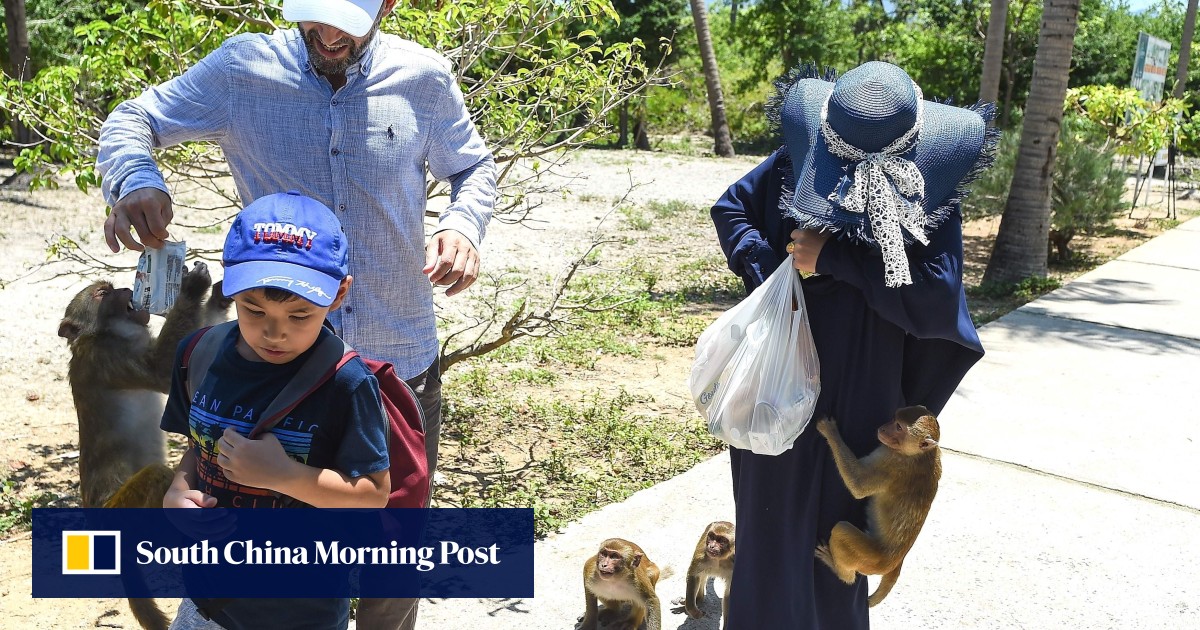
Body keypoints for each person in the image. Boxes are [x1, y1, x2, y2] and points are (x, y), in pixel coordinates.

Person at [96, 1, 496, 625]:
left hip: (398, 362)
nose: (329, 33)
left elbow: (471, 166)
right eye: (316, 14)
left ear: (387, 5)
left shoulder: (424, 77)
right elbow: (134, 117)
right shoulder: (242, 70)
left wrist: (463, 225)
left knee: (394, 553)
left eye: (348, 17)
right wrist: (136, 178)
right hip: (276, 370)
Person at [709, 61, 997, 629]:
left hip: (866, 387)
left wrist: (835, 258)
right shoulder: (798, 159)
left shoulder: (926, 192)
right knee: (769, 521)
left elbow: (937, 296)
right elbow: (731, 209)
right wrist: (775, 270)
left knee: (836, 535)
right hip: (779, 371)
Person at [162, 191, 390, 629]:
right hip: (206, 598)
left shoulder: (347, 382)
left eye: (299, 315)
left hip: (301, 611)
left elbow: (373, 494)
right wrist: (177, 491)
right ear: (229, 284)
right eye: (253, 309)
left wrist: (282, 475)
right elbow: (200, 447)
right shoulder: (198, 354)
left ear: (339, 293)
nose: (273, 333)